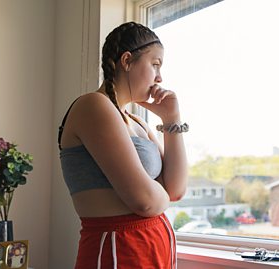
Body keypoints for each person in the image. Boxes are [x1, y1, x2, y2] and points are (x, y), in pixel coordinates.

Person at [58, 21, 188, 269]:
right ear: (127, 61)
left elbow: (177, 189)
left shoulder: (138, 122)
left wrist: (172, 120)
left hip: (152, 250)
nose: (160, 77)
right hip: (116, 250)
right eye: (155, 64)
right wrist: (157, 191)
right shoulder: (93, 105)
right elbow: (145, 201)